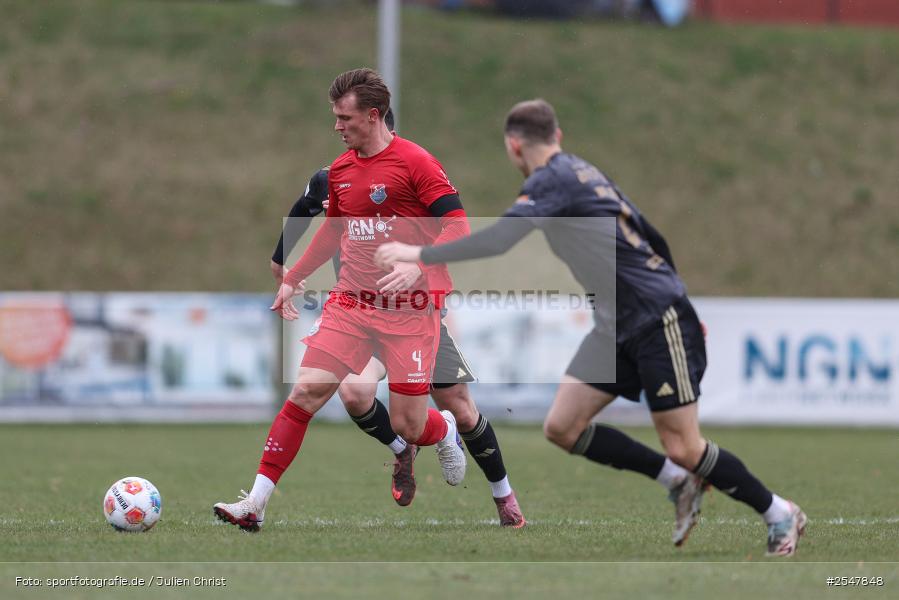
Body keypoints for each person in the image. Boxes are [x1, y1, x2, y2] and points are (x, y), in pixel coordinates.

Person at [375, 99, 807, 556]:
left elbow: (501, 239)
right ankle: (677, 482)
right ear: (557, 137)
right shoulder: (582, 171)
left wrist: (418, 254)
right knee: (563, 426)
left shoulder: (551, 182)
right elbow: (649, 231)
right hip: (616, 324)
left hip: (656, 319)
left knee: (683, 443)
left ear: (513, 146)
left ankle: (779, 513)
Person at [213, 68, 470, 532]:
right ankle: (254, 503)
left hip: (410, 312)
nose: (337, 126)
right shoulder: (341, 170)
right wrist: (293, 278)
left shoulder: (416, 162)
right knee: (306, 392)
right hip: (351, 303)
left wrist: (419, 260)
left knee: (412, 426)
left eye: (344, 117)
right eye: (334, 117)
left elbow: (459, 226)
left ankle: (445, 429)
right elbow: (333, 232)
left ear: (372, 116)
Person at [267, 108, 525, 527]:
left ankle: (504, 496)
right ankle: (401, 449)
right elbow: (303, 207)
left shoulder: (410, 172)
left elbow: (452, 229)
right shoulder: (334, 176)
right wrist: (281, 263)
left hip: (414, 313)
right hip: (360, 312)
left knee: (458, 405)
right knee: (354, 395)